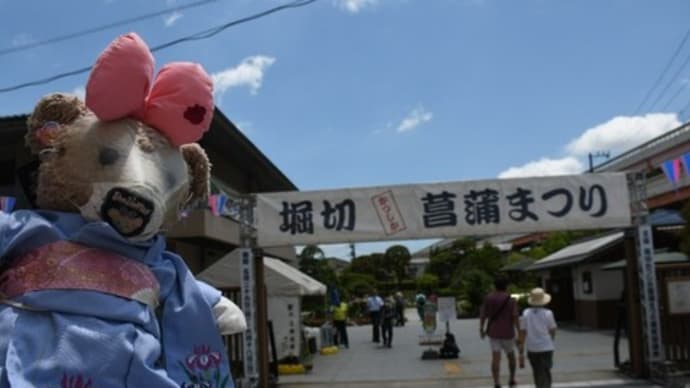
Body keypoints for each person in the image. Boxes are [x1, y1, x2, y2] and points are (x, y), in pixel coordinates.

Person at [479, 276, 519, 388]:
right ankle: (511, 379)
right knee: (511, 357)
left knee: (496, 358)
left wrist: (481, 329)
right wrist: (519, 332)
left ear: (494, 285)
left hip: (494, 333)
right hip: (508, 333)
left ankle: (497, 382)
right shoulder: (511, 299)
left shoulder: (488, 298)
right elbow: (515, 317)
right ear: (506, 286)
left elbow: (483, 315)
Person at [517, 288, 557, 388]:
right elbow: (553, 330)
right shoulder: (548, 313)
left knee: (537, 371)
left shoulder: (526, 313)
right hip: (546, 347)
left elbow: (522, 331)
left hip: (532, 347)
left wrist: (521, 346)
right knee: (546, 371)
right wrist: (551, 339)